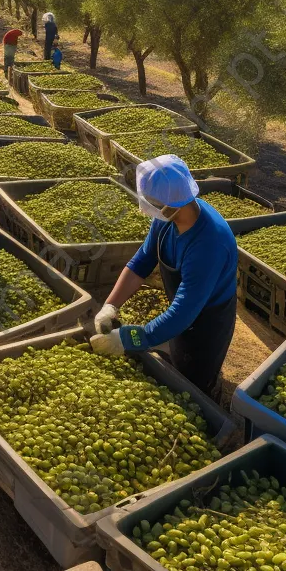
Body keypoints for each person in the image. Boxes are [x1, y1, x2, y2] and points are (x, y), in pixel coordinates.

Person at [89, 155, 238, 397]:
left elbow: (184, 311)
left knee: (196, 379)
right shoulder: (167, 217)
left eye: (149, 201)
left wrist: (128, 339)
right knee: (178, 351)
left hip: (208, 318)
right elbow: (141, 262)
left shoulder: (209, 244)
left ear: (170, 204)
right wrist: (110, 305)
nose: (144, 205)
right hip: (184, 308)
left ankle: (212, 394)